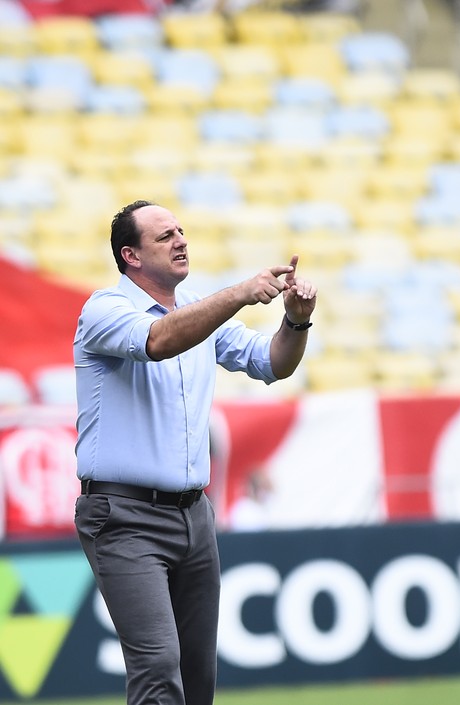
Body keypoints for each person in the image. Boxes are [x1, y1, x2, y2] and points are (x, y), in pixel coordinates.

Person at [73, 200, 318, 705]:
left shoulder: (198, 310)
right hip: (123, 516)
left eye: (181, 231)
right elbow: (158, 340)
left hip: (193, 516)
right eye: (164, 236)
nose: (181, 240)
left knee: (196, 677)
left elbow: (272, 363)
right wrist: (240, 293)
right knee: (159, 666)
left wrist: (295, 323)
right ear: (131, 255)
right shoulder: (103, 310)